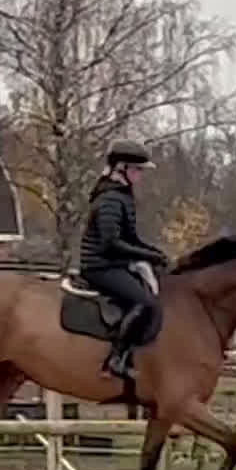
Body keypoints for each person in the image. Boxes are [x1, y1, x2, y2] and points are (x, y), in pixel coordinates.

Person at [78, 139, 170, 380]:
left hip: (112, 263)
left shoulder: (121, 196)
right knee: (144, 302)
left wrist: (156, 254)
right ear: (121, 168)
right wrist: (148, 256)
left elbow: (131, 239)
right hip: (99, 266)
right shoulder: (111, 199)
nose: (140, 175)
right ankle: (115, 360)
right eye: (137, 169)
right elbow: (111, 243)